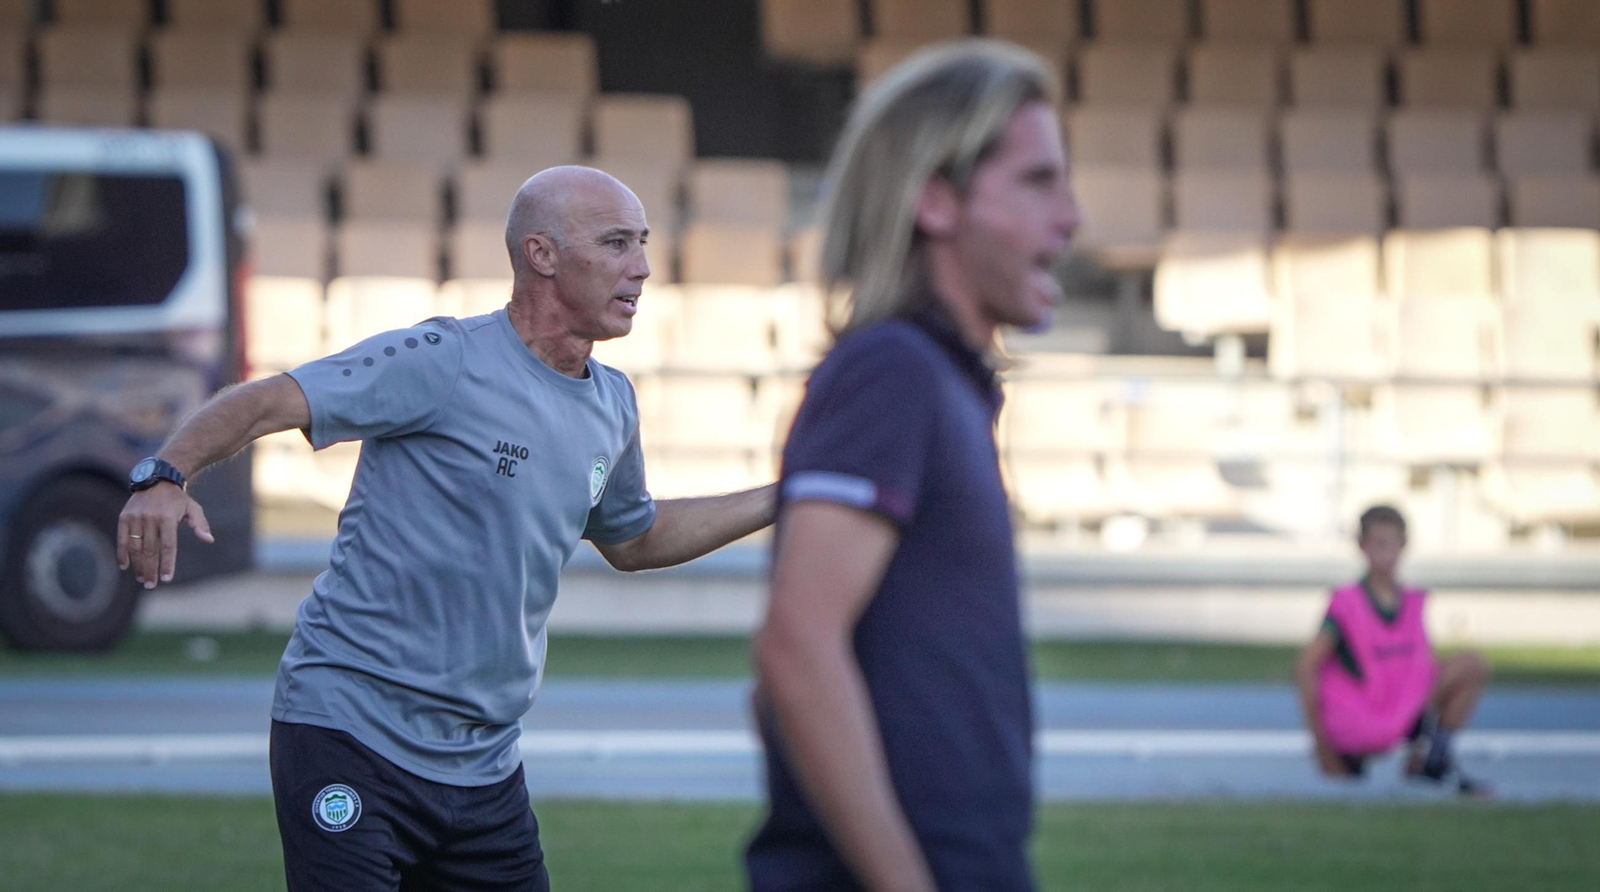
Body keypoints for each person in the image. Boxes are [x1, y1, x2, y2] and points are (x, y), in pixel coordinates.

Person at [117, 165, 776, 891]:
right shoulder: (443, 360)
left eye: (643, 243)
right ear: (542, 255)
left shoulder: (612, 404)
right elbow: (270, 400)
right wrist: (165, 475)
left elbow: (635, 538)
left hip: (483, 768)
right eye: (617, 243)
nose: (643, 268)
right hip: (350, 735)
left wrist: (787, 495)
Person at [746, 41, 1078, 892]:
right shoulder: (890, 370)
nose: (1071, 218)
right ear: (936, 200)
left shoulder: (944, 385)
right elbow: (795, 648)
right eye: (1039, 182)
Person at [1295, 505, 1492, 796]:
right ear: (1363, 546)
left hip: (1402, 710)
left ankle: (1433, 759)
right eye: (1378, 543)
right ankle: (1357, 755)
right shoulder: (1347, 603)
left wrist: (1421, 742)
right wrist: (1320, 743)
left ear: (1404, 545)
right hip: (1362, 720)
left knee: (1471, 665)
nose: (1386, 553)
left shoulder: (1411, 602)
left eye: (1393, 543)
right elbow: (1305, 667)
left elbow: (1420, 672)